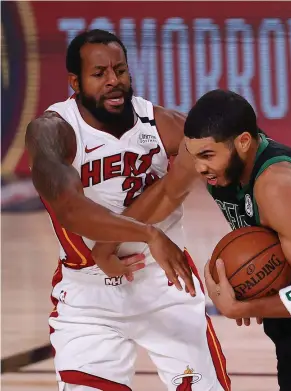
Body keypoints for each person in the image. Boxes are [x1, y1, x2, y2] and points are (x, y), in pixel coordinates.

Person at [25, 29, 230, 391]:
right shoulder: (54, 131)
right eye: (99, 73)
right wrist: (149, 234)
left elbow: (177, 185)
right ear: (75, 81)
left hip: (165, 281)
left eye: (120, 70)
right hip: (89, 295)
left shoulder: (164, 125)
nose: (113, 81)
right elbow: (71, 209)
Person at [124, 88, 291, 391]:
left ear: (242, 142)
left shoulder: (277, 187)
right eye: (194, 154)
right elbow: (168, 193)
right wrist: (111, 242)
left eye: (208, 156)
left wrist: (244, 308)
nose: (199, 167)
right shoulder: (210, 155)